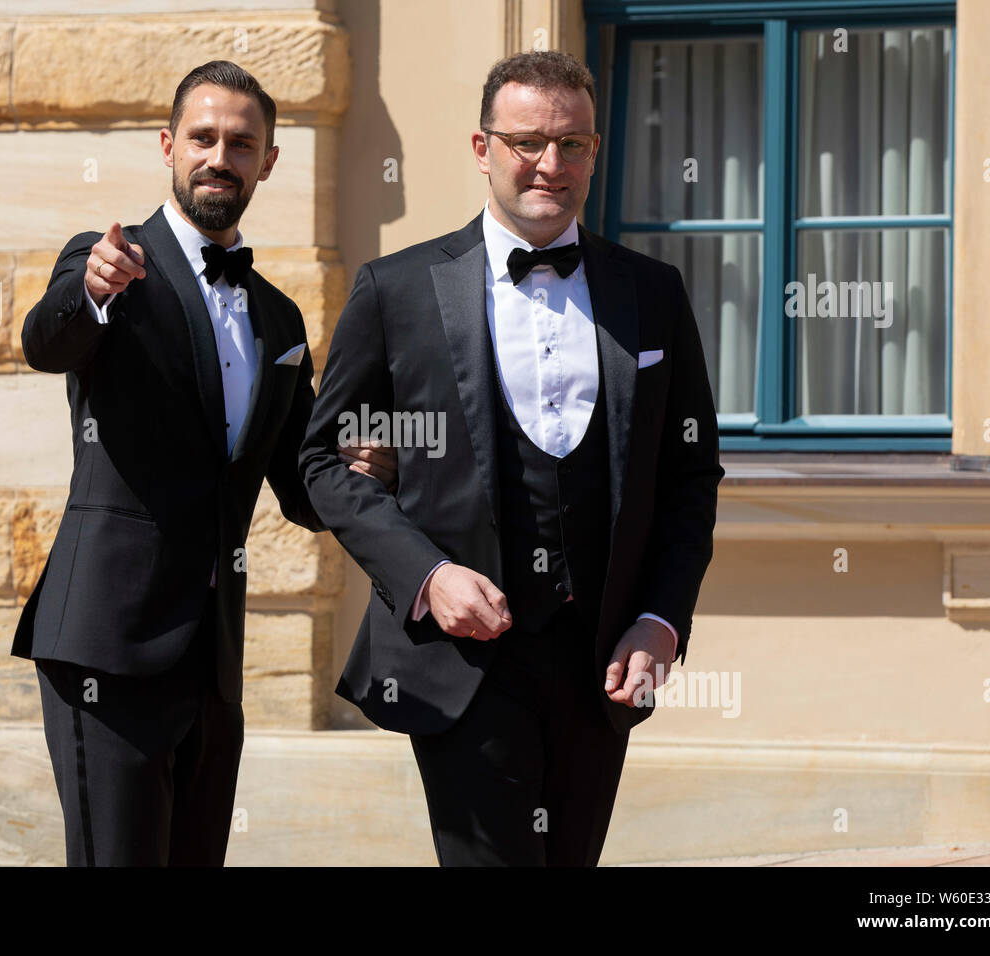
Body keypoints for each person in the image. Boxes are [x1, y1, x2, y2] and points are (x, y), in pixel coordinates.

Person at [301, 50, 723, 866]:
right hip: (463, 665)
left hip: (600, 659)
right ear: (481, 146)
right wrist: (426, 575)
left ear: (596, 151)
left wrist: (662, 619)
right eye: (528, 141)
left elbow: (689, 474)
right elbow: (325, 461)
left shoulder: (654, 293)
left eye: (573, 144)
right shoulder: (396, 289)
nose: (550, 165)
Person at [13, 60, 395, 866]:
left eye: (242, 143)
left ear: (268, 161)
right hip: (106, 646)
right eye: (203, 137)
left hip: (215, 663)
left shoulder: (280, 318)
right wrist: (90, 289)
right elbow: (47, 342)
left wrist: (377, 468)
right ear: (168, 145)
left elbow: (303, 482)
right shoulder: (109, 261)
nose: (220, 155)